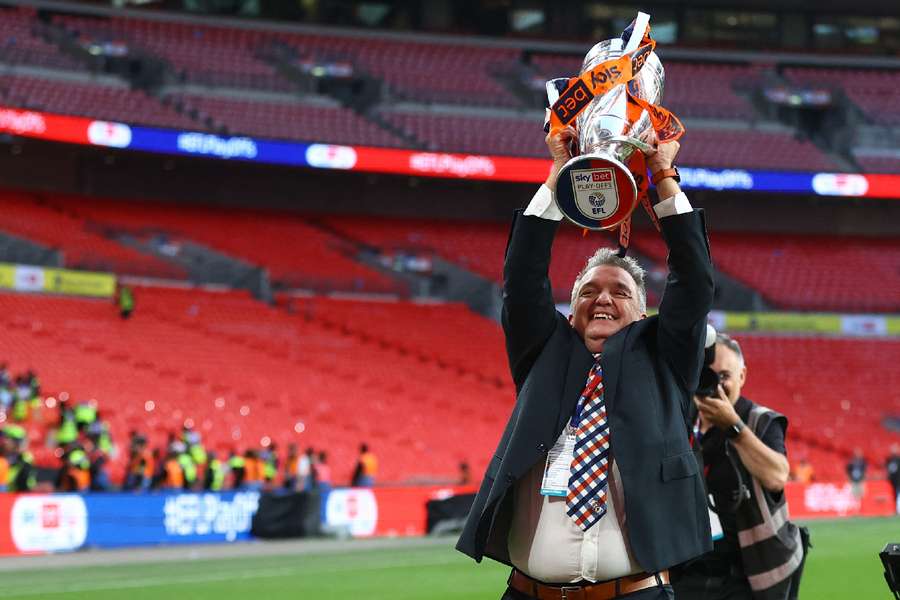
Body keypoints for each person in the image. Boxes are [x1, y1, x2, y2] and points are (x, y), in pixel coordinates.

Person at [456, 127, 714, 600]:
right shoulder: (544, 350)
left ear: (642, 313)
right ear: (569, 308)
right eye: (588, 292)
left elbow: (694, 281)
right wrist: (559, 173)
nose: (603, 299)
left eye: (621, 292)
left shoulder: (665, 358)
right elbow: (522, 276)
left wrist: (662, 174)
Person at [672, 332, 804, 600]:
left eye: (724, 376)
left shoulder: (761, 421)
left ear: (742, 376)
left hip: (749, 571)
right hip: (692, 567)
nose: (714, 386)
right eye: (706, 376)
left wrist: (733, 427)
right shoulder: (682, 420)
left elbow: (778, 475)